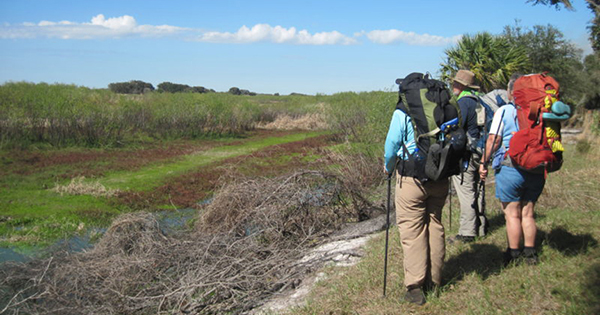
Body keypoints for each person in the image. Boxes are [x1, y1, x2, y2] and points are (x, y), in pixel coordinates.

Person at [384, 105, 448, 305]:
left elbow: (392, 143)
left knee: (412, 231)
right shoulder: (442, 107)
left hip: (412, 179)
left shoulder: (402, 112)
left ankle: (415, 287)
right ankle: (435, 280)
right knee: (435, 225)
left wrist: (388, 167)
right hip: (439, 176)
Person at [479, 73, 544, 265]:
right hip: (536, 167)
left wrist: (484, 162)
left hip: (510, 168)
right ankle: (531, 253)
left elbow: (494, 139)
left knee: (512, 213)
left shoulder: (505, 111)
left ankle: (513, 253)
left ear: (511, 93)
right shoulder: (539, 110)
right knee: (528, 212)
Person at [450, 69, 486, 243]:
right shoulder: (477, 100)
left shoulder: (463, 102)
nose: (453, 86)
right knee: (478, 189)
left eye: (456, 83)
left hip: (467, 154)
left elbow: (458, 128)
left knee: (466, 191)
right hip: (480, 151)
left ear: (462, 86)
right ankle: (481, 227)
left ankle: (467, 232)